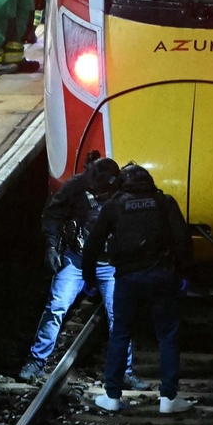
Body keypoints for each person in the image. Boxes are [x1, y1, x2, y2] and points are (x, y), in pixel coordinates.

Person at [17, 157, 150, 391]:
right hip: (77, 258)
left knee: (118, 316)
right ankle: (36, 361)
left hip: (111, 263)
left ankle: (124, 371)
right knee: (56, 306)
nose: (93, 192)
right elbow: (53, 215)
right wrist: (51, 246)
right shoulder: (76, 185)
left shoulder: (124, 193)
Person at [83, 164, 194, 414]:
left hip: (127, 278)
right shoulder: (164, 202)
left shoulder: (114, 205)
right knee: (166, 335)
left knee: (120, 334)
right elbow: (182, 240)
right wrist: (185, 274)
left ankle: (112, 396)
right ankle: (168, 399)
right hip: (162, 276)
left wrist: (89, 279)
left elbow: (92, 244)